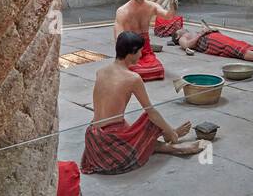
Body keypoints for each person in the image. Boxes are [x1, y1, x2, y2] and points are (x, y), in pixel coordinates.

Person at [81, 32, 204, 174]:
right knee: (150, 119)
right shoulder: (133, 78)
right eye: (139, 51)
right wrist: (171, 133)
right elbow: (151, 112)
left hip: (93, 141)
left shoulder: (100, 71)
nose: (141, 55)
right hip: (111, 148)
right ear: (132, 52)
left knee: (135, 133)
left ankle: (170, 138)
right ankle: (175, 147)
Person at [113, 0, 178, 81]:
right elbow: (119, 36)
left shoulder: (151, 7)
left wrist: (173, 8)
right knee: (136, 72)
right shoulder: (122, 11)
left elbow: (168, 16)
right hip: (131, 48)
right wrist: (122, 56)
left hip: (146, 48)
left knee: (158, 70)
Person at [172, 21, 253, 63]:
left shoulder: (190, 32)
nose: (182, 28)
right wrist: (202, 34)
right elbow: (188, 45)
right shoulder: (183, 38)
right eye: (179, 29)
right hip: (209, 42)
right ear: (177, 36)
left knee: (241, 43)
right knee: (232, 47)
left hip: (214, 36)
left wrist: (212, 30)